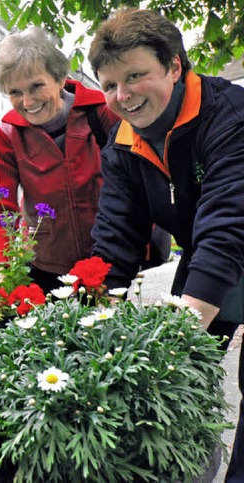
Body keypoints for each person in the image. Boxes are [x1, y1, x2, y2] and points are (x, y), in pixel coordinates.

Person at [87, 9, 244, 481]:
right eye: (111, 85)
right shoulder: (122, 143)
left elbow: (229, 218)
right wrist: (90, 324)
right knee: (179, 383)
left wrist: (176, 337)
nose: (123, 96)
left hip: (230, 235)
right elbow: (115, 236)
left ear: (175, 66)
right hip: (205, 249)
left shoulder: (229, 114)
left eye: (136, 76)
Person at [0, 28, 120, 293]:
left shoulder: (101, 113)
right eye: (15, 92)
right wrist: (0, 270)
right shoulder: (7, 134)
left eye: (36, 86)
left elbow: (133, 185)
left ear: (59, 78)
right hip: (46, 269)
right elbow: (0, 209)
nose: (27, 101)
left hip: (106, 261)